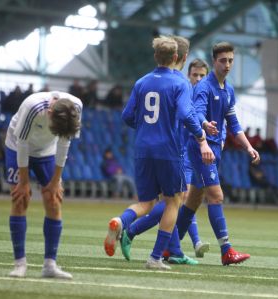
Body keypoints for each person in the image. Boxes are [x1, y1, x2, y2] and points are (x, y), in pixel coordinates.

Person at [103, 35, 213, 270]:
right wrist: (201, 136)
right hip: (168, 150)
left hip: (142, 149)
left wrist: (145, 129)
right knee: (174, 201)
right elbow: (185, 114)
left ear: (155, 56)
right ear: (176, 57)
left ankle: (120, 221)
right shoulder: (179, 83)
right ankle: (154, 258)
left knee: (145, 202)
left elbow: (126, 116)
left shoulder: (142, 82)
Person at [176, 41, 260, 266]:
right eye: (223, 60)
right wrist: (204, 129)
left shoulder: (228, 90)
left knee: (193, 200)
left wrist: (248, 146)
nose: (228, 65)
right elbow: (197, 115)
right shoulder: (205, 87)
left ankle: (170, 247)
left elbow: (233, 122)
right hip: (202, 148)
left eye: (231, 60)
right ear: (215, 61)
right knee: (216, 196)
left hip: (214, 149)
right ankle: (226, 250)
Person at [4, 91, 82, 279]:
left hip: (47, 150)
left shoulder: (75, 107)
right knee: (20, 199)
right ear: (49, 113)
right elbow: (22, 144)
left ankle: (49, 265)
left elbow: (64, 144)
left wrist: (55, 182)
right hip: (17, 146)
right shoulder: (33, 107)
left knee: (53, 200)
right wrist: (23, 182)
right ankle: (20, 264)